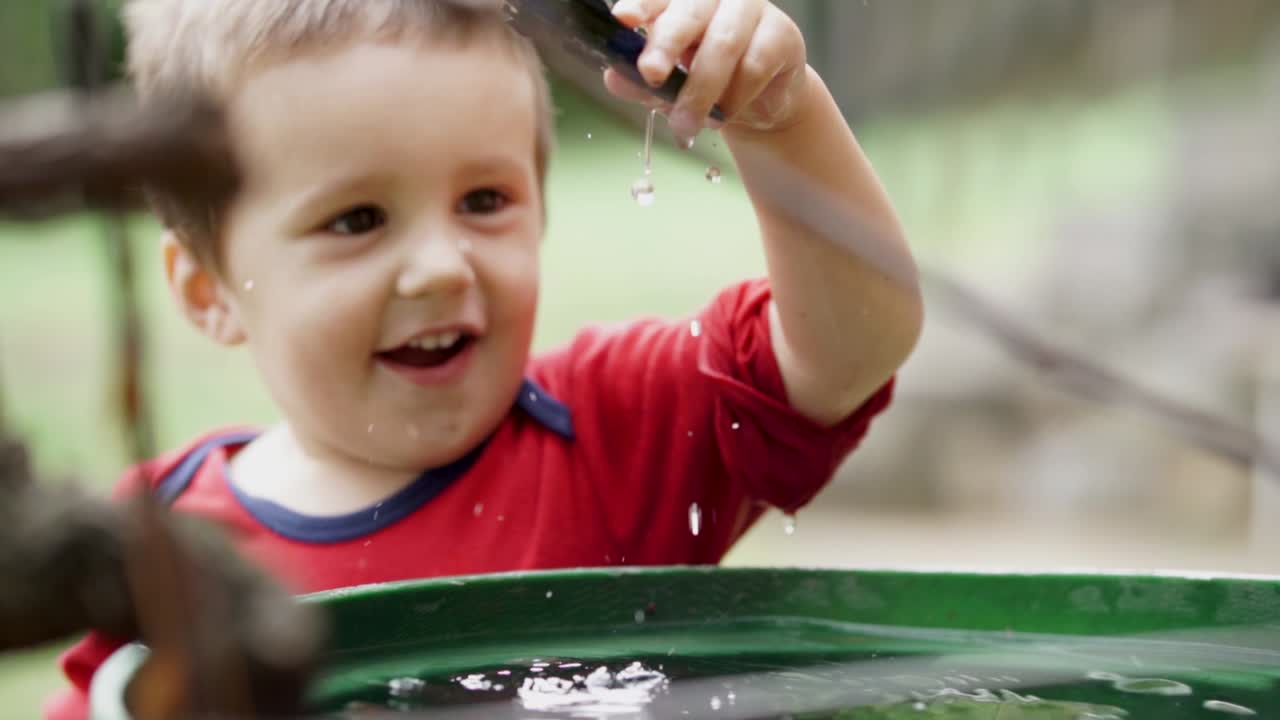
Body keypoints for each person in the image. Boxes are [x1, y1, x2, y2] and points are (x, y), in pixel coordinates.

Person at [45, 0, 922, 716]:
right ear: (206, 289)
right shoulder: (155, 548)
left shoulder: (612, 433)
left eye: (484, 199)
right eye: (357, 219)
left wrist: (783, 118)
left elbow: (850, 344)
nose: (440, 265)